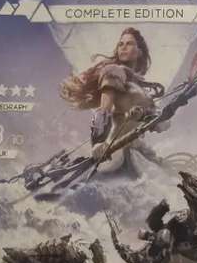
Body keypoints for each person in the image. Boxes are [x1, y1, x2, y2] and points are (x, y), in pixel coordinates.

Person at [60, 27, 164, 168]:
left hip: (135, 147)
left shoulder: (138, 86)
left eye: (129, 43)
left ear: (140, 52)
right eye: (121, 44)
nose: (123, 47)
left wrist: (158, 120)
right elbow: (104, 110)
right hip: (114, 151)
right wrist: (98, 142)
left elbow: (155, 120)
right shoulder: (114, 71)